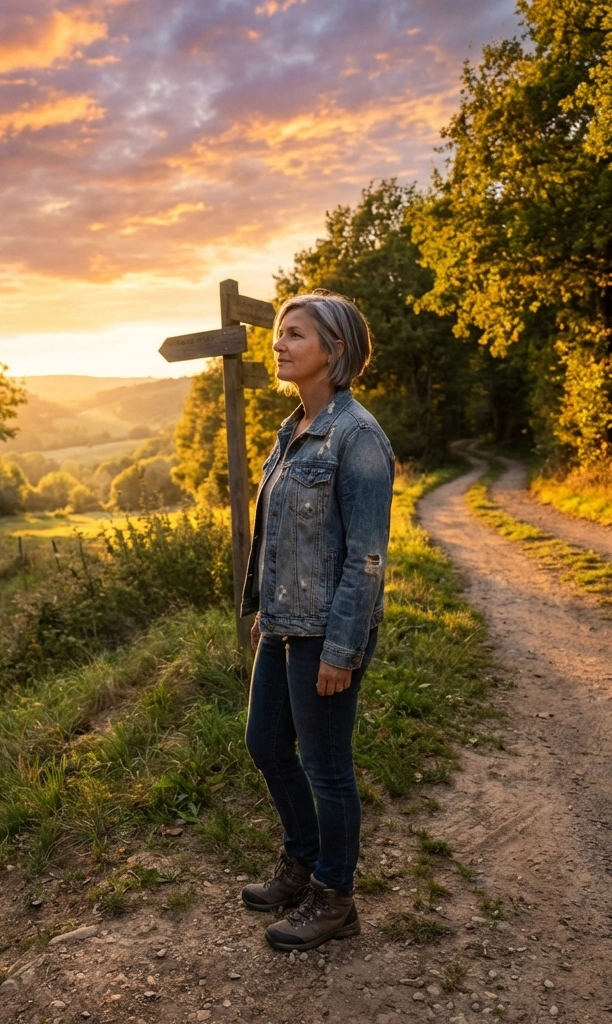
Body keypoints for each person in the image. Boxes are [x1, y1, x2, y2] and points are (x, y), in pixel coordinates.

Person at [239, 290, 394, 952]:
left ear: (335, 350)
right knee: (266, 746)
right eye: (279, 333)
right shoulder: (291, 429)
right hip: (283, 624)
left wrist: (340, 649)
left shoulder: (357, 439)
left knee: (326, 766)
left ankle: (335, 899)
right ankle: (301, 862)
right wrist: (262, 609)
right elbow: (275, 530)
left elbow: (366, 560)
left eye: (294, 334)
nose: (279, 344)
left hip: (327, 631)